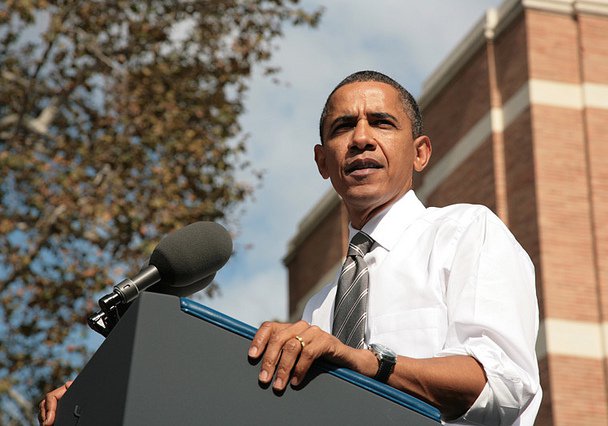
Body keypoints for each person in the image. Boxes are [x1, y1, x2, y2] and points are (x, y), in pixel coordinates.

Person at [40, 70, 541, 425]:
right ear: (323, 161)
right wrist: (99, 394)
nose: (361, 139)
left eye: (381, 123)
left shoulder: (465, 232)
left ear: (421, 151)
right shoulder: (318, 310)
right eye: (343, 127)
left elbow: (503, 387)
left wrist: (364, 361)